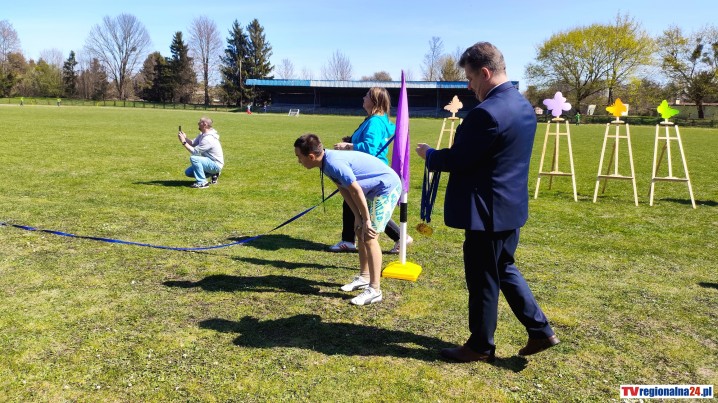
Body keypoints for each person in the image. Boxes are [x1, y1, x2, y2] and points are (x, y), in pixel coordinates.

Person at [416, 42, 559, 363]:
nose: (469, 86)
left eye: (470, 78)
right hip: (509, 207)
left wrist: (431, 155)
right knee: (503, 267)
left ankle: (480, 345)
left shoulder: (486, 113)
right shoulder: (522, 105)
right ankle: (540, 330)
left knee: (483, 279)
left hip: (485, 211)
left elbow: (460, 159)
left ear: (484, 72)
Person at [294, 134, 401, 305]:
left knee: (370, 236)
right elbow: (343, 189)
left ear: (311, 156)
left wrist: (366, 220)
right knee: (360, 231)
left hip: (385, 187)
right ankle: (364, 277)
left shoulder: (334, 164)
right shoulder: (325, 162)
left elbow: (356, 190)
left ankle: (375, 290)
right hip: (371, 190)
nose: (298, 161)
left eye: (299, 156)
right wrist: (357, 217)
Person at [330, 87, 411, 254]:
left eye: (367, 95)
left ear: (374, 101)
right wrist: (351, 140)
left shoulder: (375, 121)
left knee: (363, 204)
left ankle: (400, 236)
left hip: (370, 170)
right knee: (355, 201)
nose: (363, 97)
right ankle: (349, 239)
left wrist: (349, 146)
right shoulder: (377, 120)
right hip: (372, 168)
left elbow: (370, 148)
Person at [178, 117, 225, 189]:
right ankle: (214, 173)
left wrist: (184, 142)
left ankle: (202, 183)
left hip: (215, 164)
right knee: (188, 172)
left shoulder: (208, 138)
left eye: (200, 122)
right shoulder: (203, 134)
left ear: (205, 124)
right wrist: (185, 138)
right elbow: (193, 143)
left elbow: (195, 152)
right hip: (210, 162)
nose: (198, 123)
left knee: (194, 158)